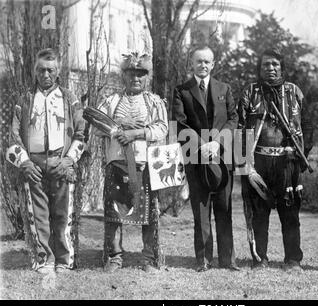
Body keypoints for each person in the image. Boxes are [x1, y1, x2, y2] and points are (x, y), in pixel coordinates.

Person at [6, 48, 86, 274]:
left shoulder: (70, 99)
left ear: (58, 71)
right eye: (41, 70)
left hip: (61, 162)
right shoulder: (25, 100)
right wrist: (25, 163)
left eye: (50, 70)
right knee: (38, 214)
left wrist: (70, 160)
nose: (46, 74)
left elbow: (82, 132)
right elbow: (13, 136)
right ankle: (44, 260)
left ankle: (64, 260)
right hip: (34, 165)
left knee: (63, 214)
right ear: (35, 72)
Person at [237, 48, 313, 271]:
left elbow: (307, 125)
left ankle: (292, 259)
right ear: (259, 69)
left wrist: (302, 154)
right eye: (265, 65)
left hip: (288, 162)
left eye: (274, 64)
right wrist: (244, 162)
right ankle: (260, 258)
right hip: (258, 162)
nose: (270, 68)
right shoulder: (250, 92)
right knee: (259, 212)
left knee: (290, 211)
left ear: (281, 67)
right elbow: (240, 128)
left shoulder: (294, 92)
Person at [93, 52, 168, 273]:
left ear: (147, 77)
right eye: (131, 74)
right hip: (116, 164)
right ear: (123, 76)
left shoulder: (154, 102)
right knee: (113, 213)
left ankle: (149, 257)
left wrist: (136, 133)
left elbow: (162, 129)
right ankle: (114, 256)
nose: (136, 79)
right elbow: (97, 127)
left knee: (149, 213)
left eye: (141, 75)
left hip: (144, 165)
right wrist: (119, 124)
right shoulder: (111, 100)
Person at [172, 46, 240, 272]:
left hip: (222, 157)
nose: (203, 65)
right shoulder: (182, 91)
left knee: (224, 208)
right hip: (196, 157)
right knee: (201, 210)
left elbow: (233, 120)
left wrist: (217, 143)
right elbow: (180, 123)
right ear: (191, 63)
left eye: (207, 62)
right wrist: (202, 146)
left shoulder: (224, 88)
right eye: (199, 61)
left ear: (213, 64)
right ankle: (202, 260)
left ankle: (227, 260)